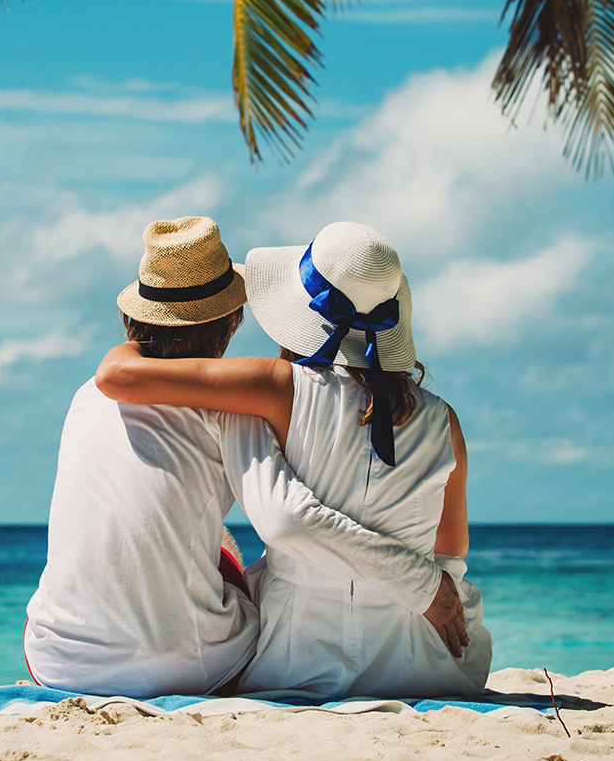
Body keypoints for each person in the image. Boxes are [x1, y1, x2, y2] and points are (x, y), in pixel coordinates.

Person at [23, 216, 468, 698]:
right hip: (399, 657)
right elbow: (450, 549)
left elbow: (117, 376)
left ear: (132, 316)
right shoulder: (443, 420)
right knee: (222, 552)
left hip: (62, 660)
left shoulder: (94, 396)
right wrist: (421, 584)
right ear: (233, 320)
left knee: (219, 550)